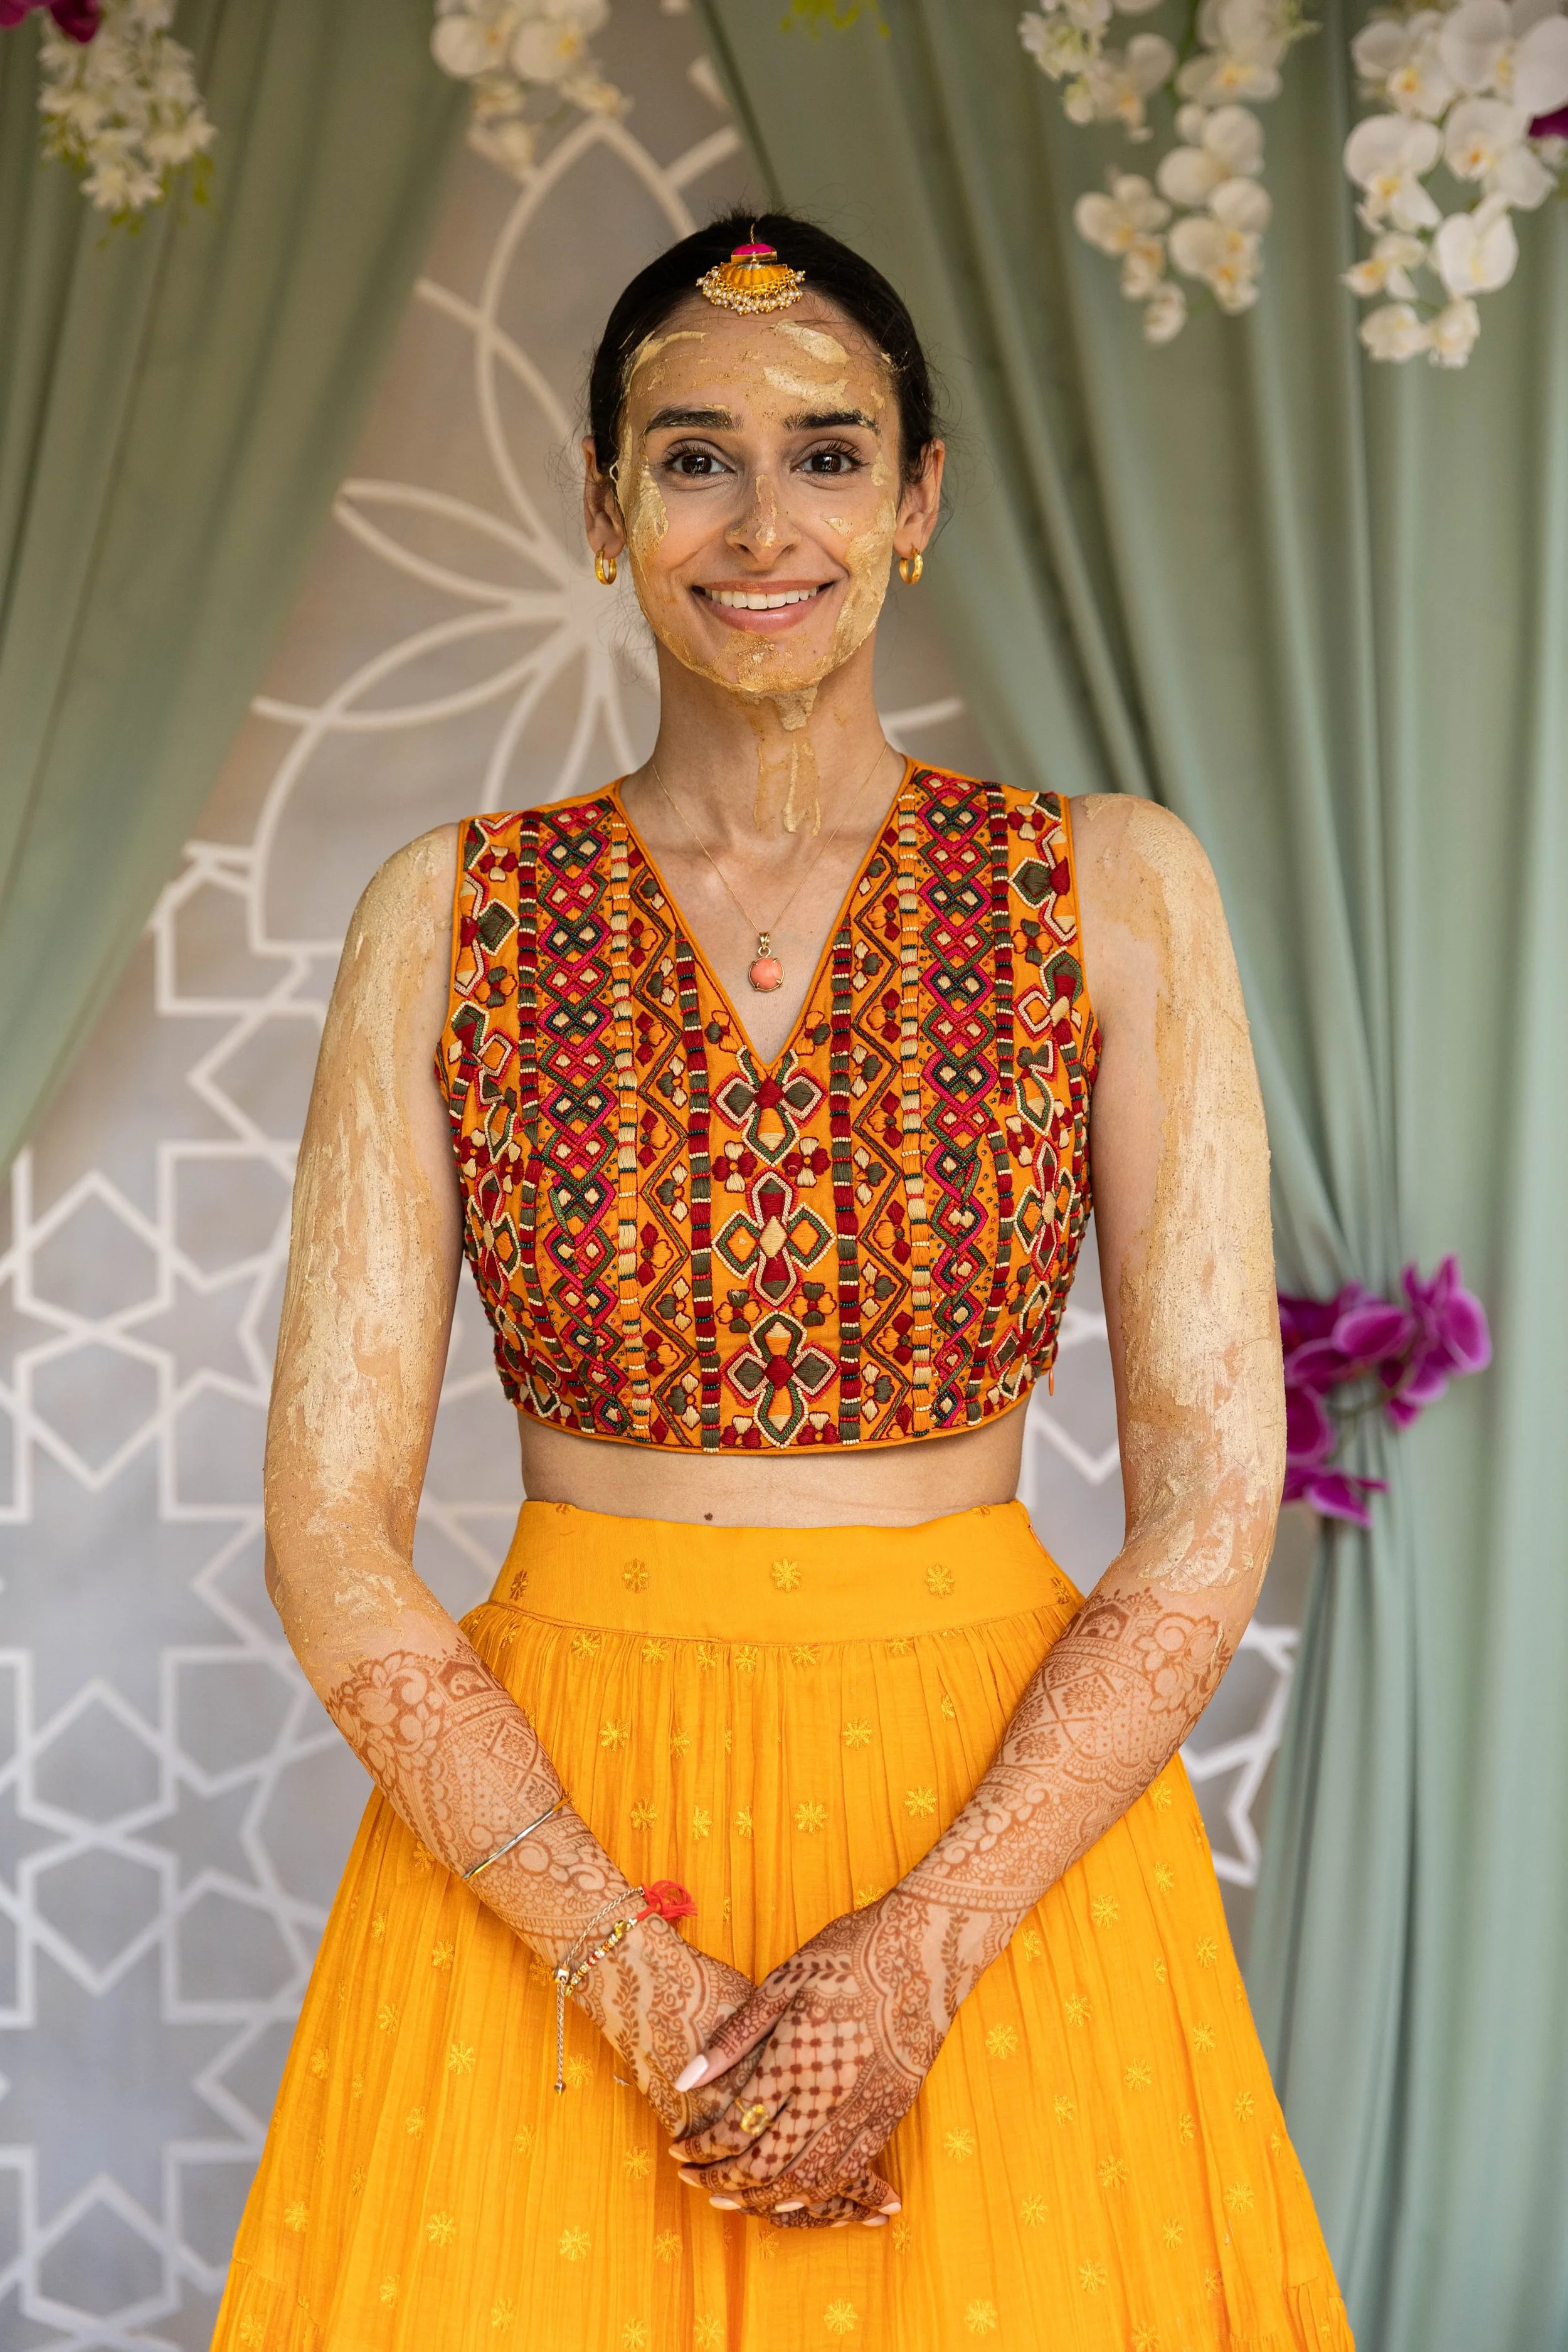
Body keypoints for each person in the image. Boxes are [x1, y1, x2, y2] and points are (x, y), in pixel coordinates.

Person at [212, 213, 1350, 2351]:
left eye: (828, 455)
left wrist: (915, 1951)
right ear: (600, 503)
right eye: (690, 455)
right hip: (548, 1847)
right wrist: (622, 1968)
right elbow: (328, 1525)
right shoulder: (446, 913)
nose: (762, 521)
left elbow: (1210, 1498)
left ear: (917, 503)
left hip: (990, 1823)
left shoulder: (1106, 887)